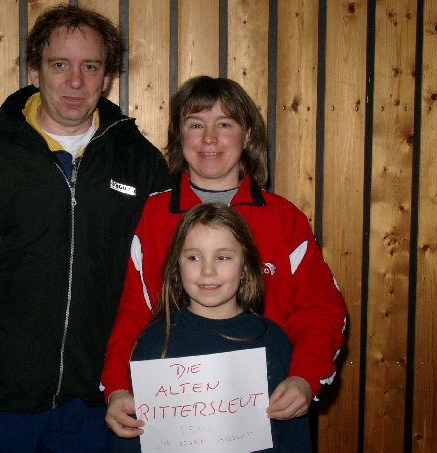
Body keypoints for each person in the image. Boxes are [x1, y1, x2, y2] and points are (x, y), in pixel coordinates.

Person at [0, 5, 170, 452]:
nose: (76, 81)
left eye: (90, 66)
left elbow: (165, 278)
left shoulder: (139, 162)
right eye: (60, 65)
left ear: (106, 77)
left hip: (98, 406)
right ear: (34, 71)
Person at [102, 76, 347, 440]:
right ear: (179, 136)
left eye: (225, 125)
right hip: (173, 416)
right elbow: (132, 313)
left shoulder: (284, 219)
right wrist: (118, 387)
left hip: (264, 412)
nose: (209, 139)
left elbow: (321, 310)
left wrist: (304, 378)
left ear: (247, 136)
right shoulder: (152, 215)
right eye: (195, 125)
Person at [128, 203, 312, 452]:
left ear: (245, 267)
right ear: (177, 266)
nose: (208, 271)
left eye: (223, 257)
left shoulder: (273, 341)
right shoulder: (153, 343)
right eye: (194, 257)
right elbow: (134, 437)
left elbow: (292, 436)